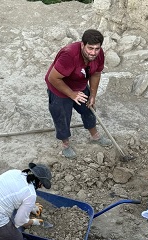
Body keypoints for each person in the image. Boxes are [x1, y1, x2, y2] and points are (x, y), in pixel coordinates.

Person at [45, 29, 112, 159]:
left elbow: (96, 73)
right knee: (62, 117)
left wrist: (92, 95)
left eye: (97, 49)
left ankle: (95, 136)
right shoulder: (69, 55)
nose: (93, 52)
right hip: (59, 88)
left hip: (79, 85)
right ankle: (65, 145)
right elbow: (52, 78)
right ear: (82, 45)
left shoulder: (98, 54)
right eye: (90, 48)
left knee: (89, 109)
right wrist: (72, 94)